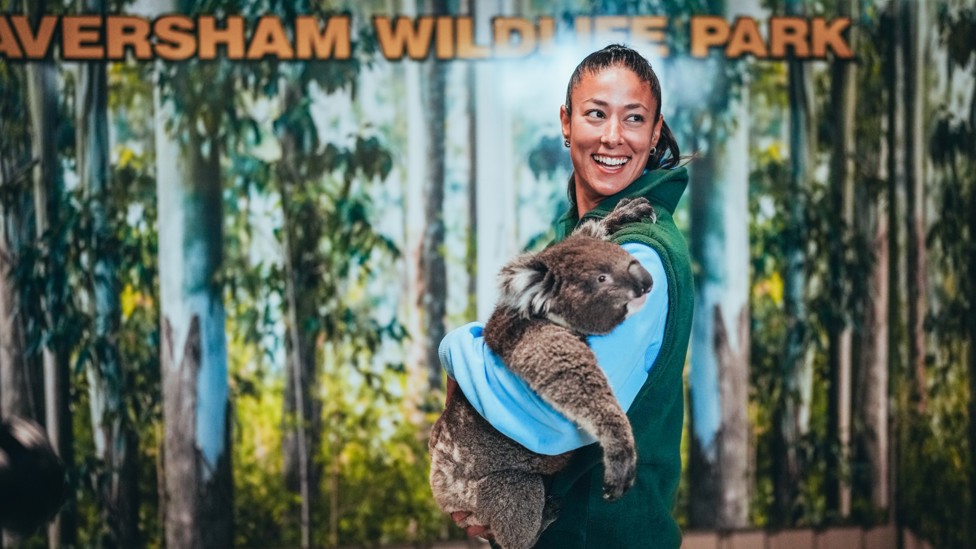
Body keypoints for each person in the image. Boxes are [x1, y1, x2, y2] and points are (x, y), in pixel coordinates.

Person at [438, 44, 694, 548]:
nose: (613, 136)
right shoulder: (579, 233)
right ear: (566, 122)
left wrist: (456, 350)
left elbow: (553, 423)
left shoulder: (644, 252)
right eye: (596, 114)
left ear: (655, 130)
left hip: (602, 532)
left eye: (634, 118)